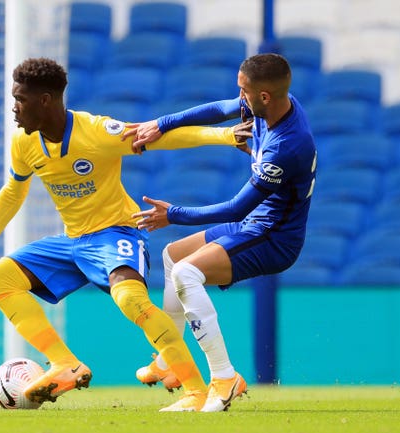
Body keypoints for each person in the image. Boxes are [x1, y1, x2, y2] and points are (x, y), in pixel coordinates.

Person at [0, 57, 252, 412]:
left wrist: (224, 135)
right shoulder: (23, 144)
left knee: (131, 301)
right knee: (0, 277)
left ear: (46, 100)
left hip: (117, 233)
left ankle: (195, 390)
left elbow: (158, 138)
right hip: (74, 242)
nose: (14, 107)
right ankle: (64, 364)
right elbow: (12, 192)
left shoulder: (98, 131)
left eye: (20, 99)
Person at [125, 53, 317, 412]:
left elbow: (236, 208)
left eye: (243, 91)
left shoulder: (287, 146)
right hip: (256, 223)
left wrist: (174, 214)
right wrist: (163, 123)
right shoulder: (270, 106)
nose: (238, 97)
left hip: (275, 237)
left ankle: (225, 378)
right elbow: (218, 109)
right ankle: (171, 360)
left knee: (186, 274)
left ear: (264, 96)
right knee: (173, 257)